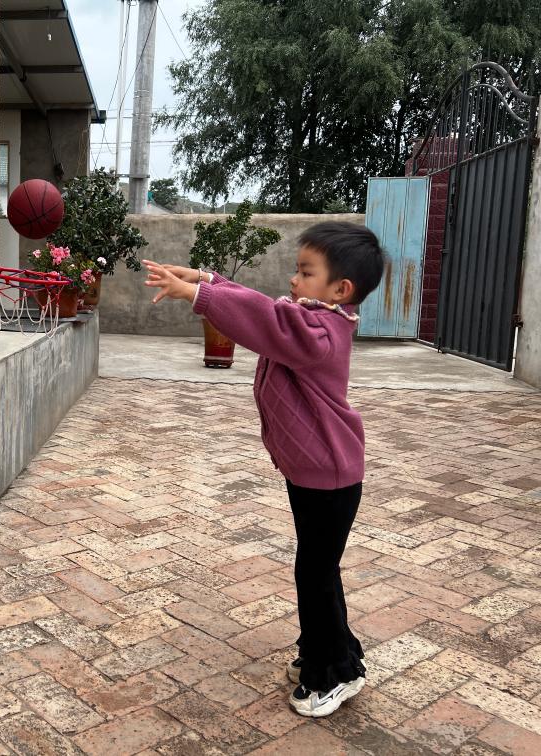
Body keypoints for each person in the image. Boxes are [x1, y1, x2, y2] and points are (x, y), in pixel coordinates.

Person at [142, 221, 386, 718]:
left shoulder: (319, 333)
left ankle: (335, 672)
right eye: (297, 270)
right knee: (318, 570)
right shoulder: (311, 319)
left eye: (306, 272)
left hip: (330, 476)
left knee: (315, 574)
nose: (294, 280)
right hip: (315, 474)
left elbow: (266, 321)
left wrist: (200, 293)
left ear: (341, 290)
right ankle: (331, 653)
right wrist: (205, 279)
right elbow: (266, 309)